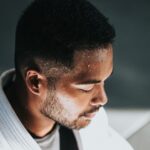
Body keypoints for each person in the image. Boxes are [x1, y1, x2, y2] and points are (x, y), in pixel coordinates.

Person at [0, 0, 133, 149]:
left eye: (104, 81)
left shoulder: (92, 122)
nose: (102, 99)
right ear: (35, 82)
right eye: (87, 87)